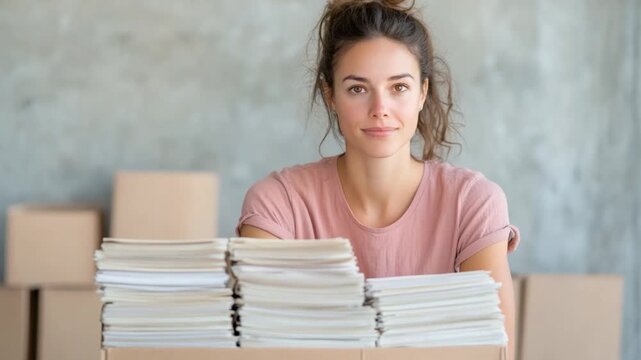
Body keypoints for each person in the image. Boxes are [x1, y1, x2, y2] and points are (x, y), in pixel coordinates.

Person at [237, 0, 520, 357]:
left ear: (422, 92)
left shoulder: (474, 202)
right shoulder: (278, 204)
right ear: (331, 96)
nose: (380, 108)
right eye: (358, 88)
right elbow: (258, 345)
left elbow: (496, 350)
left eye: (398, 87)